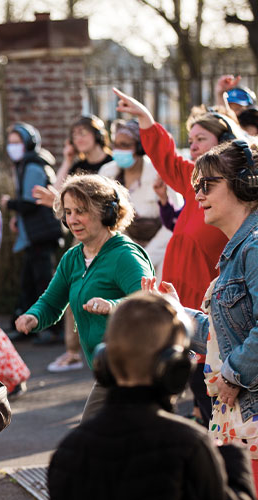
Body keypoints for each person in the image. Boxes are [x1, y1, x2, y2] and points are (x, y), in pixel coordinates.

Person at [48, 292, 256, 500]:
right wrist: (233, 458)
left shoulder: (69, 451)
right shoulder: (189, 446)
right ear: (178, 369)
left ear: (105, 362)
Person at [113, 87, 234, 426]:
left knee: (212, 402)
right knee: (198, 398)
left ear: (225, 143)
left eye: (201, 138)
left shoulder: (236, 194)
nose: (192, 145)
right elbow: (167, 157)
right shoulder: (196, 181)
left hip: (210, 309)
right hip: (181, 302)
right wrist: (146, 120)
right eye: (191, 138)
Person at [145, 139, 258, 494]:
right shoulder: (238, 250)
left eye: (208, 185)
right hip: (241, 421)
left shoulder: (254, 247)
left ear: (244, 184)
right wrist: (176, 313)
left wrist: (232, 373)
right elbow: (224, 335)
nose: (197, 195)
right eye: (195, 187)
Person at [15, 173, 153, 421]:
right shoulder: (73, 258)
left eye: (81, 211)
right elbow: (51, 302)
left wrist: (112, 305)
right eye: (68, 212)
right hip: (107, 371)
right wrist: (33, 317)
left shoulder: (125, 256)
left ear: (106, 212)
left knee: (91, 443)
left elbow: (150, 303)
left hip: (136, 370)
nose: (73, 220)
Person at [1, 122, 62, 344]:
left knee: (44, 282)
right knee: (28, 281)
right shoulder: (24, 165)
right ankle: (27, 326)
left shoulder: (33, 166)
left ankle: (55, 329)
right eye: (10, 142)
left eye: (17, 142)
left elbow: (31, 202)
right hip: (34, 233)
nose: (12, 147)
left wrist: (10, 205)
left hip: (42, 233)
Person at [99, 119, 181, 277]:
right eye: (116, 145)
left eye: (125, 145)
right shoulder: (107, 173)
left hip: (160, 254)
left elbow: (174, 224)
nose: (118, 150)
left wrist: (145, 257)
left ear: (139, 147)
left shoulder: (159, 174)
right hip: (122, 253)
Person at [57, 114, 113, 182]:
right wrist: (68, 161)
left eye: (83, 133)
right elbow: (57, 189)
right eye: (75, 135)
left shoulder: (112, 163)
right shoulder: (78, 167)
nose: (78, 139)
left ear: (97, 135)